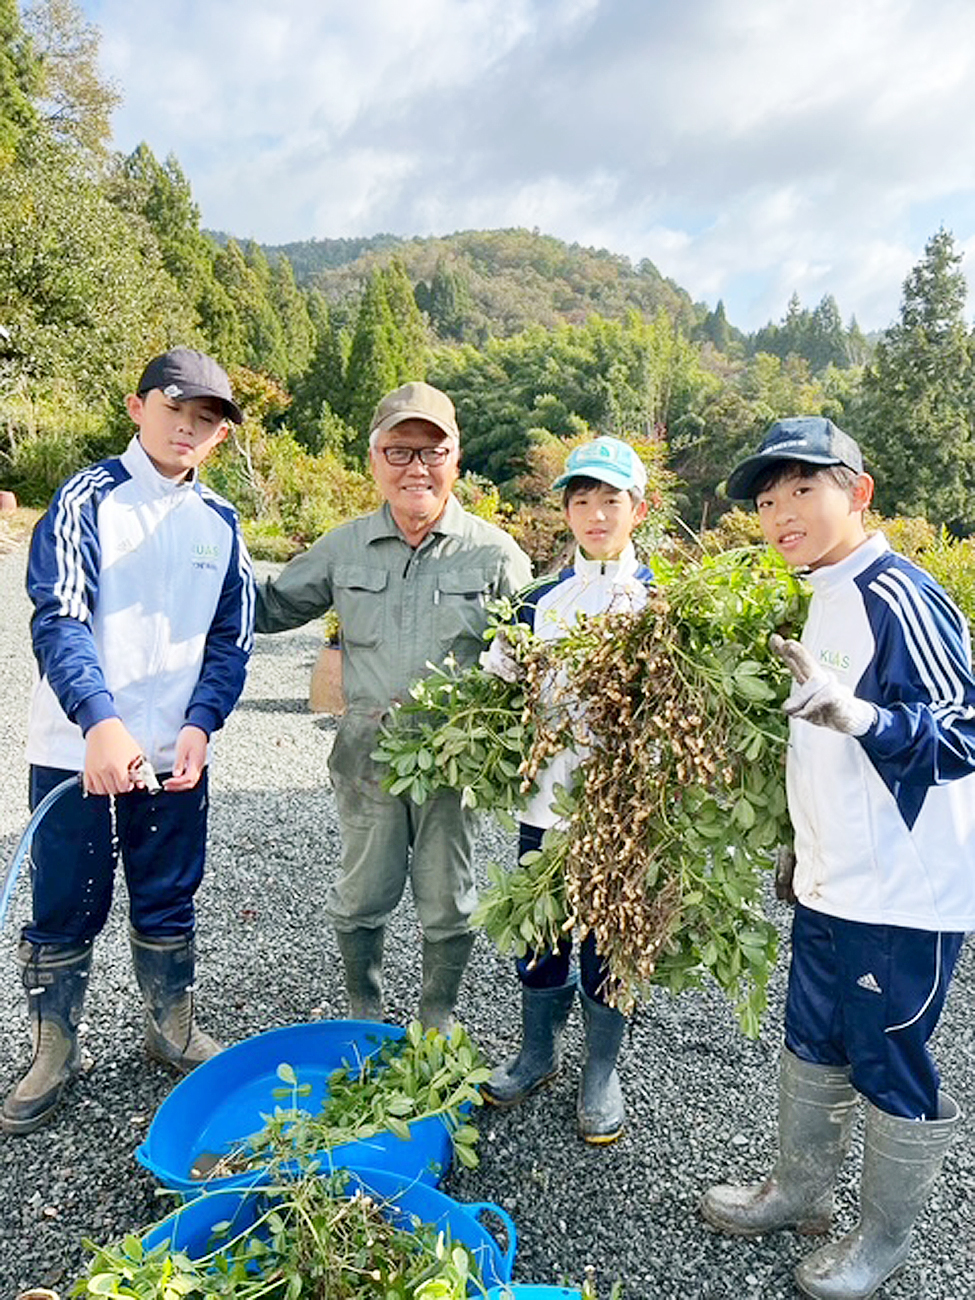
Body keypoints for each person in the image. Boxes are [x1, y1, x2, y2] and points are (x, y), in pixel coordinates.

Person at [700, 417, 975, 1300]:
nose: (780, 514)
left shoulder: (898, 592)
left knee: (888, 1055)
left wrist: (863, 718)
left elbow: (963, 729)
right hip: (831, 883)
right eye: (768, 501)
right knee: (811, 1038)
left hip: (901, 894)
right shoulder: (823, 591)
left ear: (856, 493)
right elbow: (822, 746)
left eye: (800, 492)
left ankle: (882, 1238)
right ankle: (799, 1193)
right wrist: (797, 842)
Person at [3, 347, 255, 1137]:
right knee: (66, 898)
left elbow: (231, 639)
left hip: (174, 753)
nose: (190, 427)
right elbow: (60, 618)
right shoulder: (85, 500)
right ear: (137, 406)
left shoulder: (220, 521)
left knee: (169, 888)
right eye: (176, 408)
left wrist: (200, 724)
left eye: (207, 419)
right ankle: (54, 1048)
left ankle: (169, 1028)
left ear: (218, 437)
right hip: (77, 743)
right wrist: (100, 722)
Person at [254, 381, 531, 1032]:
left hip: (454, 766)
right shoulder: (343, 546)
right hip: (367, 758)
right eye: (399, 451)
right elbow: (266, 607)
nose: (416, 467)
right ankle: (364, 1009)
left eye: (432, 451)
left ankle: (435, 1016)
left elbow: (541, 646)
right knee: (361, 897)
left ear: (455, 458)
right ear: (373, 459)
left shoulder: (494, 554)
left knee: (449, 904)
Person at [480, 436, 653, 1144]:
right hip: (545, 803)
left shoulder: (662, 602)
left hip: (623, 811)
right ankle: (537, 1052)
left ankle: (600, 1070)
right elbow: (501, 699)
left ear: (637, 509)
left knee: (611, 941)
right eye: (580, 500)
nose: (594, 514)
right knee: (539, 929)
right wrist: (495, 674)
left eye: (609, 500)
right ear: (566, 512)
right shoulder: (534, 600)